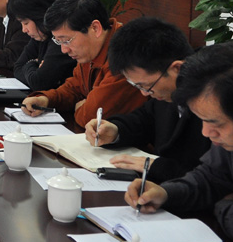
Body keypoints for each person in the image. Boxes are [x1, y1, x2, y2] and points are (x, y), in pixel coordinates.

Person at [126, 43, 233, 242]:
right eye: (201, 120)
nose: (206, 132)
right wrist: (166, 193)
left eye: (215, 123)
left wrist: (222, 203)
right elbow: (210, 177)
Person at [85, 17, 207, 183]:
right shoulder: (167, 88)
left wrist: (156, 167)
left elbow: (215, 176)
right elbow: (145, 120)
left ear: (177, 68)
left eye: (147, 86)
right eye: (137, 86)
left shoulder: (212, 99)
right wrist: (115, 131)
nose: (144, 94)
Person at [21, 0, 143, 126]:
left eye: (66, 40)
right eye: (58, 41)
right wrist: (46, 99)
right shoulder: (90, 51)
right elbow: (75, 88)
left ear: (95, 28)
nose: (64, 50)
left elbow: (91, 117)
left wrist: (81, 107)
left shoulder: (126, 55)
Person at [7, 0, 74, 91]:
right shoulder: (40, 36)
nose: (24, 30)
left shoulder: (60, 40)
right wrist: (35, 65)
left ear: (40, 16)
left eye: (26, 23)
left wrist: (30, 63)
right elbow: (18, 67)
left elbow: (38, 82)